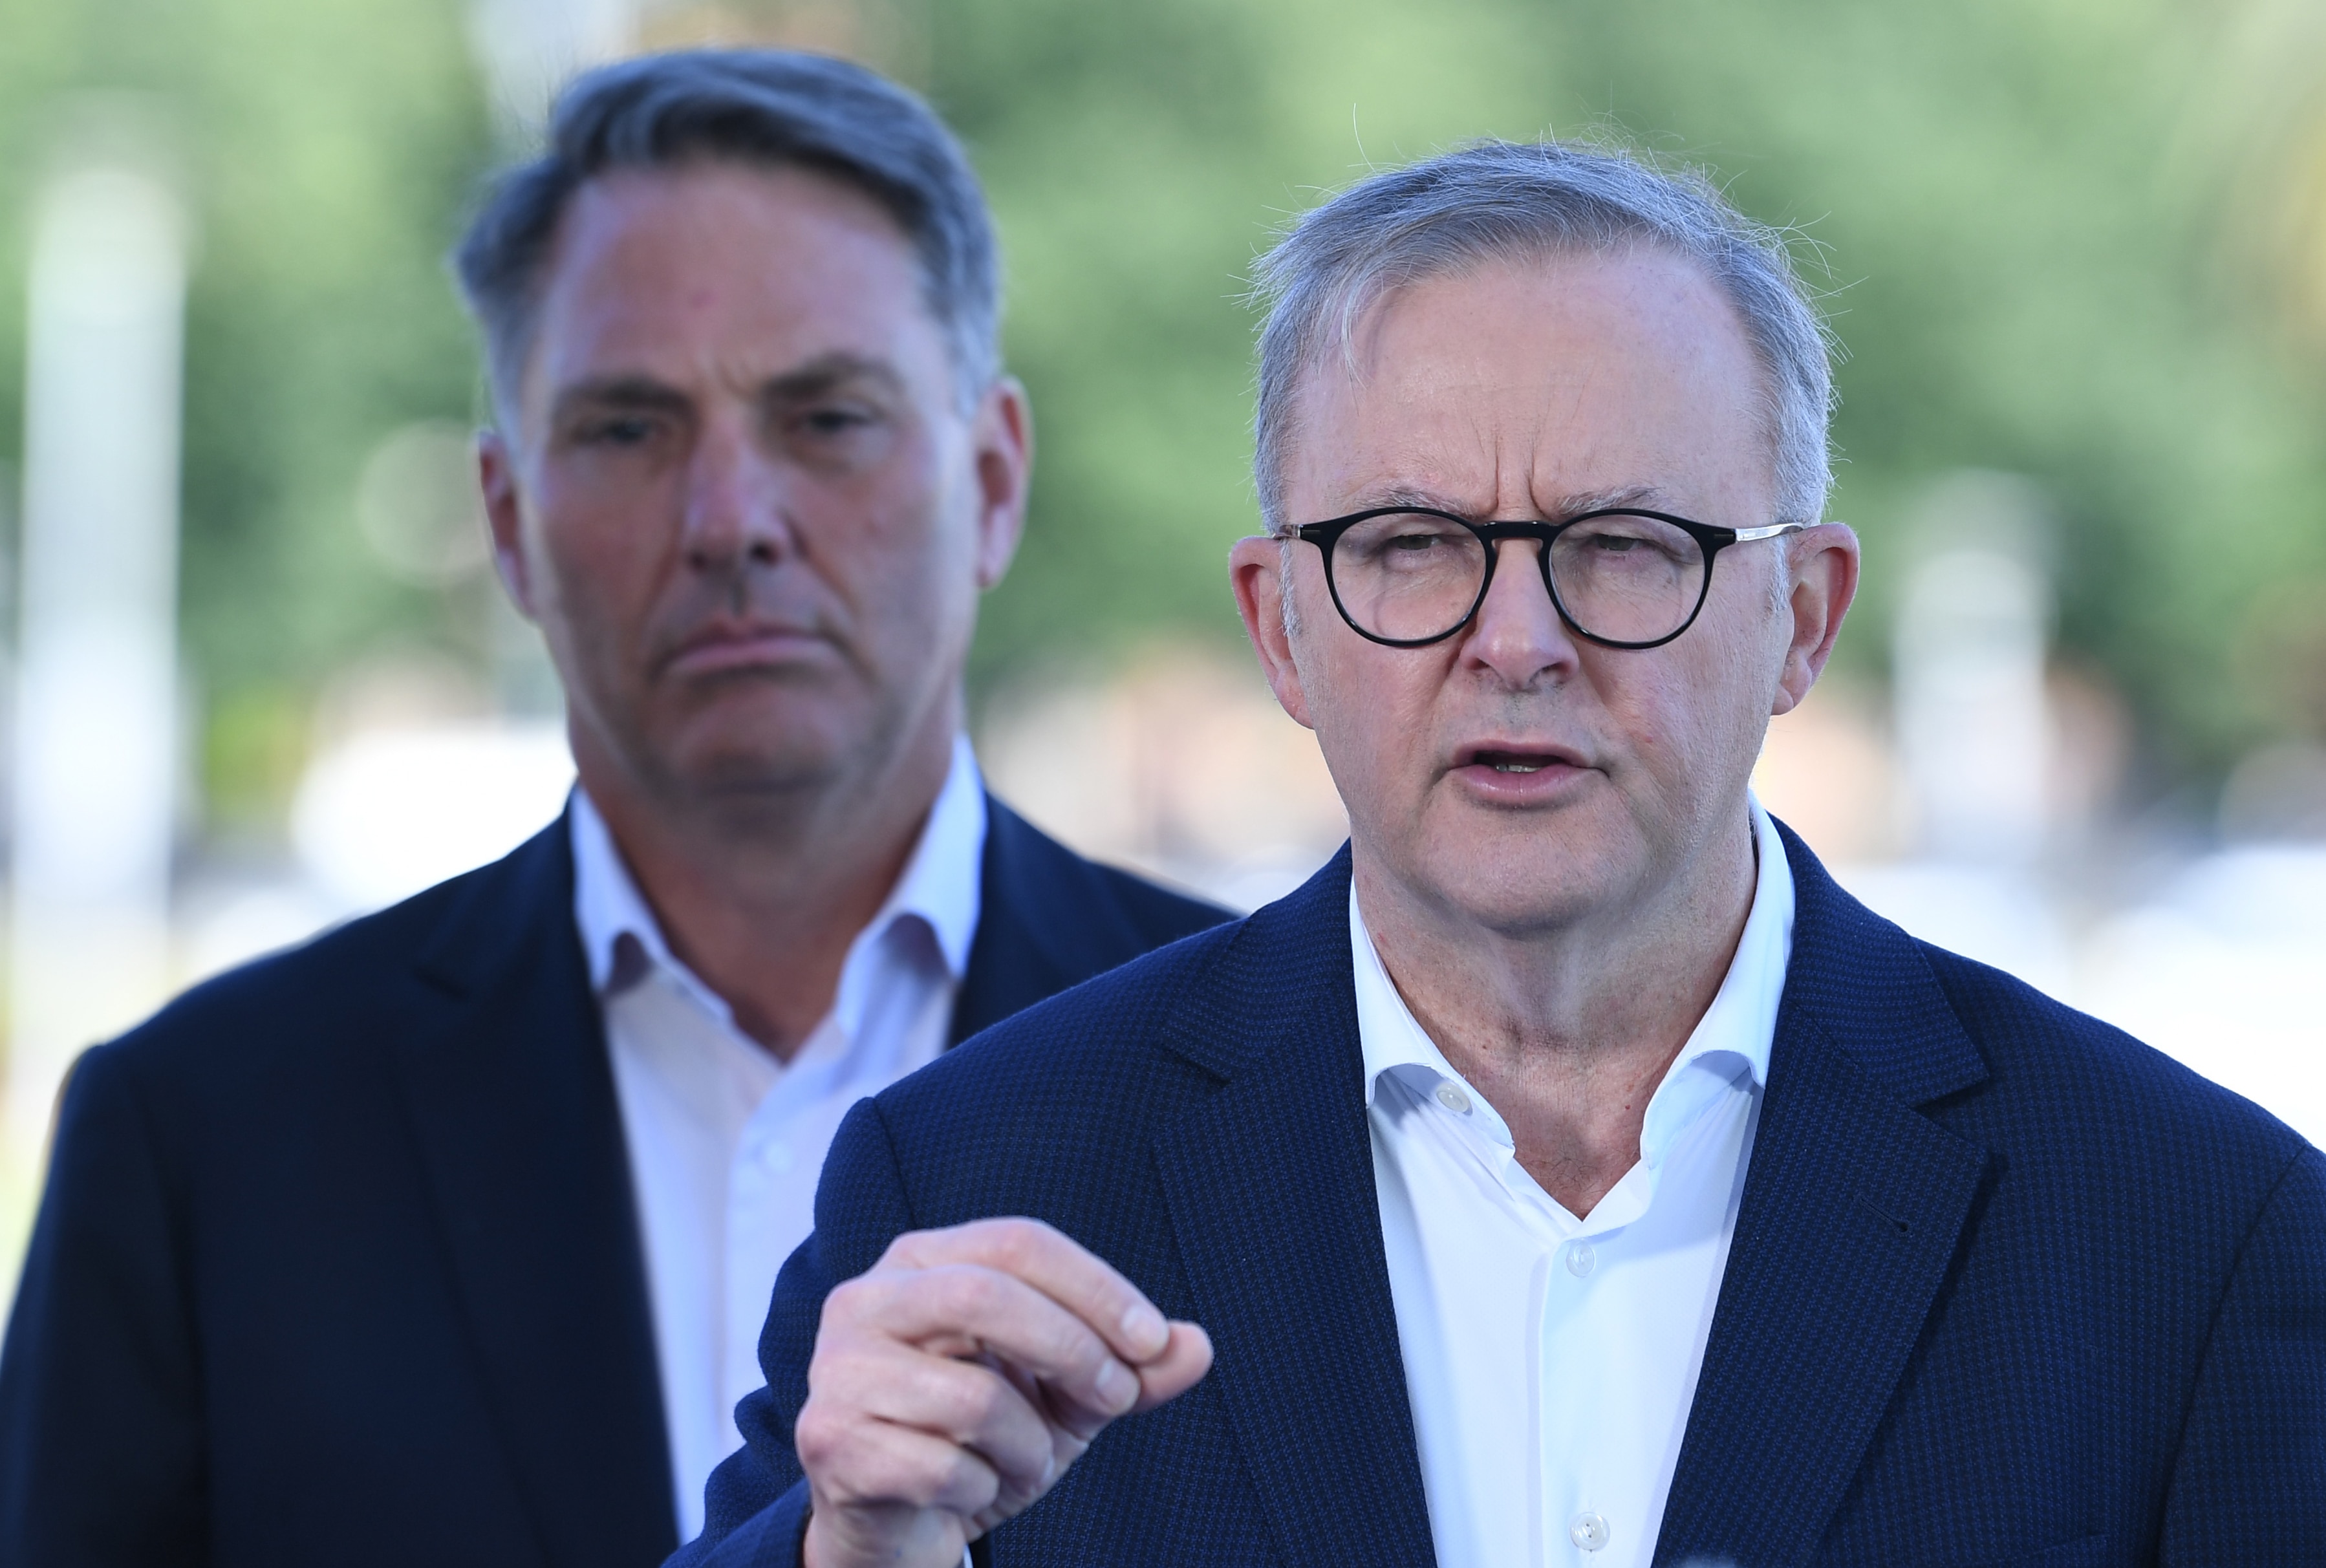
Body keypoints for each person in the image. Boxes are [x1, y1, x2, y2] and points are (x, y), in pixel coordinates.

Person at [673, 140, 2326, 1568]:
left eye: (1624, 545)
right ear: (1281, 630)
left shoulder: (2188, 1233)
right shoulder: (975, 1185)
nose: (1517, 641)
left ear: (1800, 619)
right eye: (1407, 547)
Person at [0, 50, 1228, 1568]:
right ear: (509, 522)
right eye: (630, 429)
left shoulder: (1280, 1071)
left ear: (991, 479)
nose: (731, 520)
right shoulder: (203, 1142)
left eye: (827, 416)